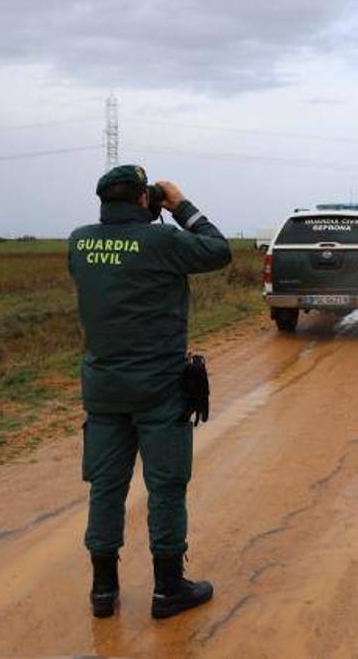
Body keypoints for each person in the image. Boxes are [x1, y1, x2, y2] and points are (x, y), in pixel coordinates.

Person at [67, 164, 231, 619]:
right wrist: (180, 207)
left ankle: (103, 591)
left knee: (105, 487)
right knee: (166, 487)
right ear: (144, 199)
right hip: (159, 389)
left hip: (102, 390)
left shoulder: (79, 242)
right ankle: (167, 589)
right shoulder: (162, 241)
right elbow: (218, 250)